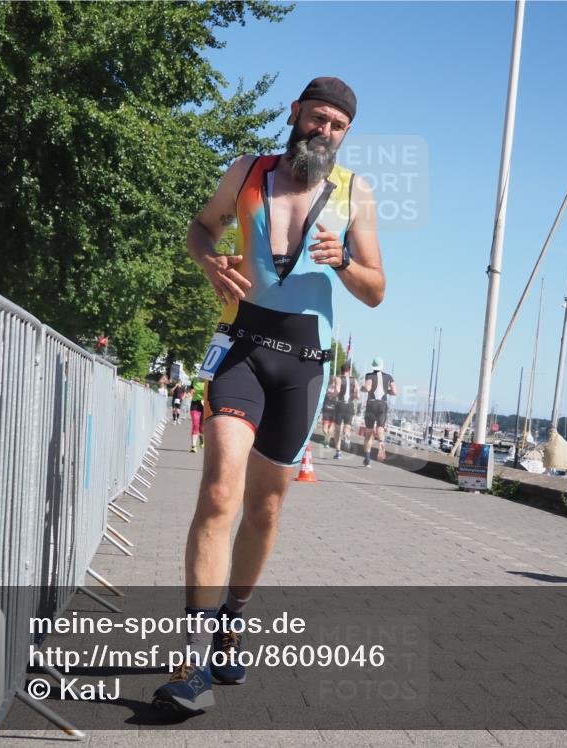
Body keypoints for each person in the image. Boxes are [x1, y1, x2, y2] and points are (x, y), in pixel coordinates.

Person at [153, 76, 384, 715]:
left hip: (305, 363)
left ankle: (231, 620)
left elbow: (376, 290)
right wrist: (209, 261)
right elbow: (201, 229)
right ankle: (192, 659)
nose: (324, 131)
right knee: (218, 492)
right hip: (243, 345)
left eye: (337, 125)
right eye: (318, 118)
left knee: (264, 509)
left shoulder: (355, 193)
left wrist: (343, 262)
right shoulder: (247, 172)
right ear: (296, 113)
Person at [361, 357, 396, 467]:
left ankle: (367, 459)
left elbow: (367, 388)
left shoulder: (369, 375)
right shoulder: (388, 377)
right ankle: (381, 442)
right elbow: (395, 391)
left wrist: (362, 388)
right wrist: (386, 391)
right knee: (380, 428)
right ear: (382, 366)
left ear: (373, 366)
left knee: (368, 433)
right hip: (382, 405)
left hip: (371, 404)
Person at [331, 362, 358, 459]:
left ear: (341, 370)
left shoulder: (339, 379)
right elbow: (358, 394)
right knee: (347, 426)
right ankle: (347, 436)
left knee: (337, 430)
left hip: (340, 404)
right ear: (349, 370)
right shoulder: (354, 380)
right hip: (350, 405)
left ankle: (338, 453)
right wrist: (354, 397)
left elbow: (338, 390)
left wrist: (332, 396)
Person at [189, 380, 207, 453]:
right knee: (195, 425)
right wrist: (191, 391)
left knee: (202, 427)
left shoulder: (209, 380)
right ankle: (194, 446)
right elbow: (191, 388)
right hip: (195, 404)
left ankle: (201, 438)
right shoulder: (195, 380)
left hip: (205, 404)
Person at [321, 380, 337, 447]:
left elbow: (322, 397)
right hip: (333, 410)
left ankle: (326, 437)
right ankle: (327, 443)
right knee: (331, 428)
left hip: (326, 409)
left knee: (325, 426)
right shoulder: (337, 389)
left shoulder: (327, 388)